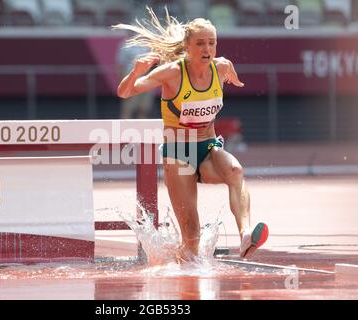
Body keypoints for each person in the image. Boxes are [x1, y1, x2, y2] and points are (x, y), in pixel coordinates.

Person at [113, 7, 268, 262]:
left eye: (212, 43)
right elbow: (125, 92)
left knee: (235, 171)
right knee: (192, 235)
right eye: (200, 44)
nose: (207, 49)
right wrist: (136, 72)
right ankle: (181, 277)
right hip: (179, 153)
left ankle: (245, 235)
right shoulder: (172, 73)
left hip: (208, 147)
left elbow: (230, 73)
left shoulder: (222, 68)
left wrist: (234, 78)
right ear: (187, 46)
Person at [116, 38, 155, 119]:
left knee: (143, 108)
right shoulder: (126, 45)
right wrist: (122, 81)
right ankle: (124, 129)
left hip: (146, 79)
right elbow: (119, 64)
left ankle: (142, 129)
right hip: (131, 78)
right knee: (128, 108)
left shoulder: (148, 45)